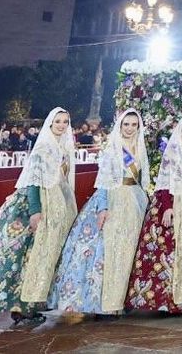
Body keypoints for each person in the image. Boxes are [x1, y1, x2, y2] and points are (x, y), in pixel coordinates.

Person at [0, 107, 77, 323]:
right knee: (24, 258)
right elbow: (34, 182)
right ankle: (22, 306)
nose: (62, 125)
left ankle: (33, 302)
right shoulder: (43, 149)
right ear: (50, 123)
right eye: (58, 121)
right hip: (38, 207)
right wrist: (35, 211)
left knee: (40, 257)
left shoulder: (62, 149)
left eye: (65, 122)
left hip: (56, 208)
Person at [51, 109, 150, 317]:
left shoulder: (140, 149)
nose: (130, 129)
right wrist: (103, 208)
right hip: (114, 201)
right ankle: (104, 302)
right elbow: (104, 181)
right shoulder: (112, 149)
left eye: (134, 125)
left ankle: (120, 299)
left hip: (135, 202)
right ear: (120, 126)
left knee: (128, 252)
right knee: (108, 252)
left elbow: (141, 180)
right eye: (126, 124)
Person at [127, 114, 182, 314]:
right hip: (176, 202)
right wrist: (168, 206)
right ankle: (170, 298)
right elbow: (165, 180)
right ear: (180, 129)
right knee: (173, 250)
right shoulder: (174, 150)